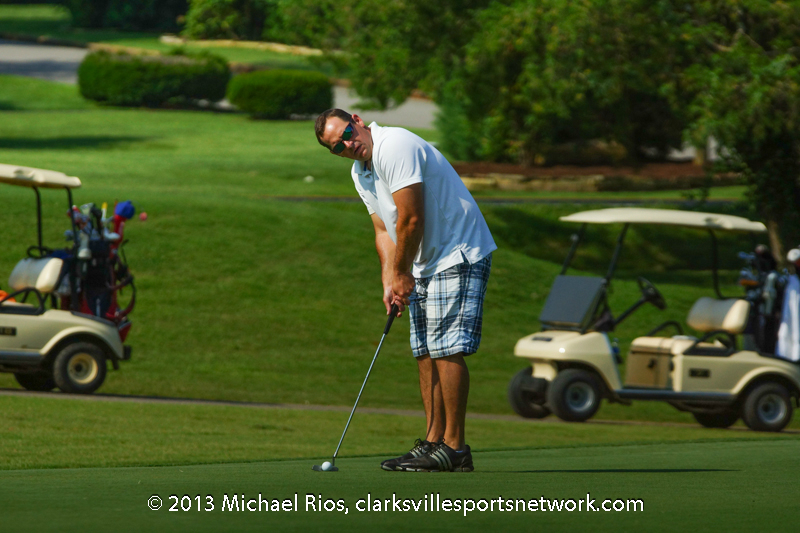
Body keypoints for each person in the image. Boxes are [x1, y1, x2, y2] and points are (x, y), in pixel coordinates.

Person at [314, 109, 496, 472]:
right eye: (337, 147)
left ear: (357, 120)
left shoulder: (394, 144)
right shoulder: (360, 172)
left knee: (447, 348)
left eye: (347, 133)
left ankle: (455, 448)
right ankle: (433, 442)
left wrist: (401, 272)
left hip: (457, 251)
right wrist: (390, 279)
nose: (348, 145)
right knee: (425, 351)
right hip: (422, 261)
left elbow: (412, 218)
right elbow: (383, 230)